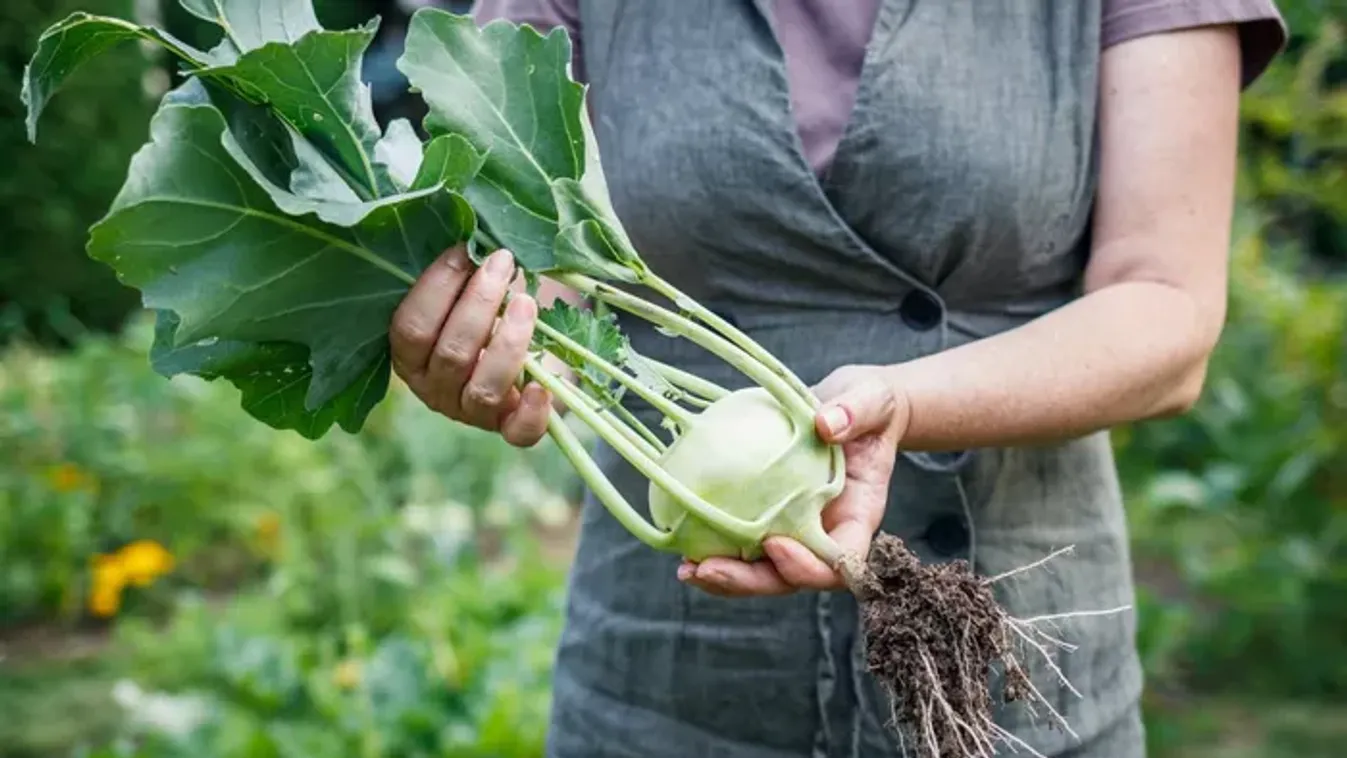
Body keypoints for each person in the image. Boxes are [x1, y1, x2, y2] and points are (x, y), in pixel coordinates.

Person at [388, 1, 1287, 755]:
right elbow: (518, 218)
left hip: (1019, 671)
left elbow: (1165, 304)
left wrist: (904, 403)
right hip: (665, 668)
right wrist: (495, 333)